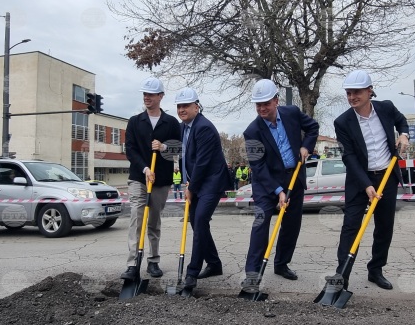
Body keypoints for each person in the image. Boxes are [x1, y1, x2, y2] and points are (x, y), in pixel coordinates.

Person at [333, 70, 409, 290]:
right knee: (351, 228)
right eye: (349, 93)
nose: (352, 97)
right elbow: (348, 156)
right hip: (360, 180)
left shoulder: (386, 108)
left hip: (386, 176)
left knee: (384, 227)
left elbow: (401, 121)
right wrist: (366, 185)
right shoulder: (342, 122)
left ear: (369, 91)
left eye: (356, 92)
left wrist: (403, 134)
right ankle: (342, 277)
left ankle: (375, 270)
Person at [241, 79, 319, 284]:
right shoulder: (252, 131)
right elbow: (258, 166)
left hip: (294, 176)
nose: (262, 108)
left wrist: (306, 146)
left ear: (276, 100)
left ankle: (282, 264)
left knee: (291, 224)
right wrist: (278, 191)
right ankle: (252, 273)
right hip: (266, 182)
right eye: (258, 104)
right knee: (261, 223)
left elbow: (313, 127)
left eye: (266, 103)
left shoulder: (292, 113)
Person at [120, 77, 181, 282]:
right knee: (137, 219)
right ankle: (133, 264)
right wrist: (145, 168)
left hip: (161, 179)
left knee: (154, 222)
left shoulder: (171, 123)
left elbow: (178, 148)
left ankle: (153, 261)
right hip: (139, 177)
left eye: (151, 94)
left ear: (160, 96)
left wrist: (163, 147)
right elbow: (130, 149)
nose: (147, 97)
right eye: (145, 94)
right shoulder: (135, 121)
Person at [176, 87, 234, 291]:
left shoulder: (204, 127)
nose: (181, 110)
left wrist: (191, 188)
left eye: (186, 106)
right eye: (179, 106)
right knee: (197, 222)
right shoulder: (183, 127)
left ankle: (192, 273)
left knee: (200, 220)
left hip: (211, 182)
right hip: (196, 182)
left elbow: (201, 162)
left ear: (196, 107)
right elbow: (184, 156)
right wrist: (187, 181)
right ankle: (214, 264)